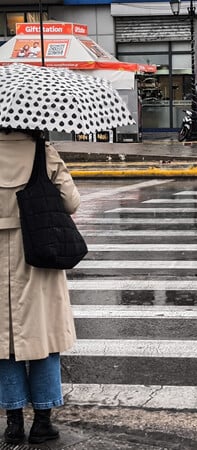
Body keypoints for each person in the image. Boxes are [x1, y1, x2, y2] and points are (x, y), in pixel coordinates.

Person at [0, 128, 80, 445]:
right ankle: (43, 422)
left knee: (4, 343)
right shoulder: (42, 153)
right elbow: (71, 203)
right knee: (45, 337)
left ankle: (14, 422)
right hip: (38, 251)